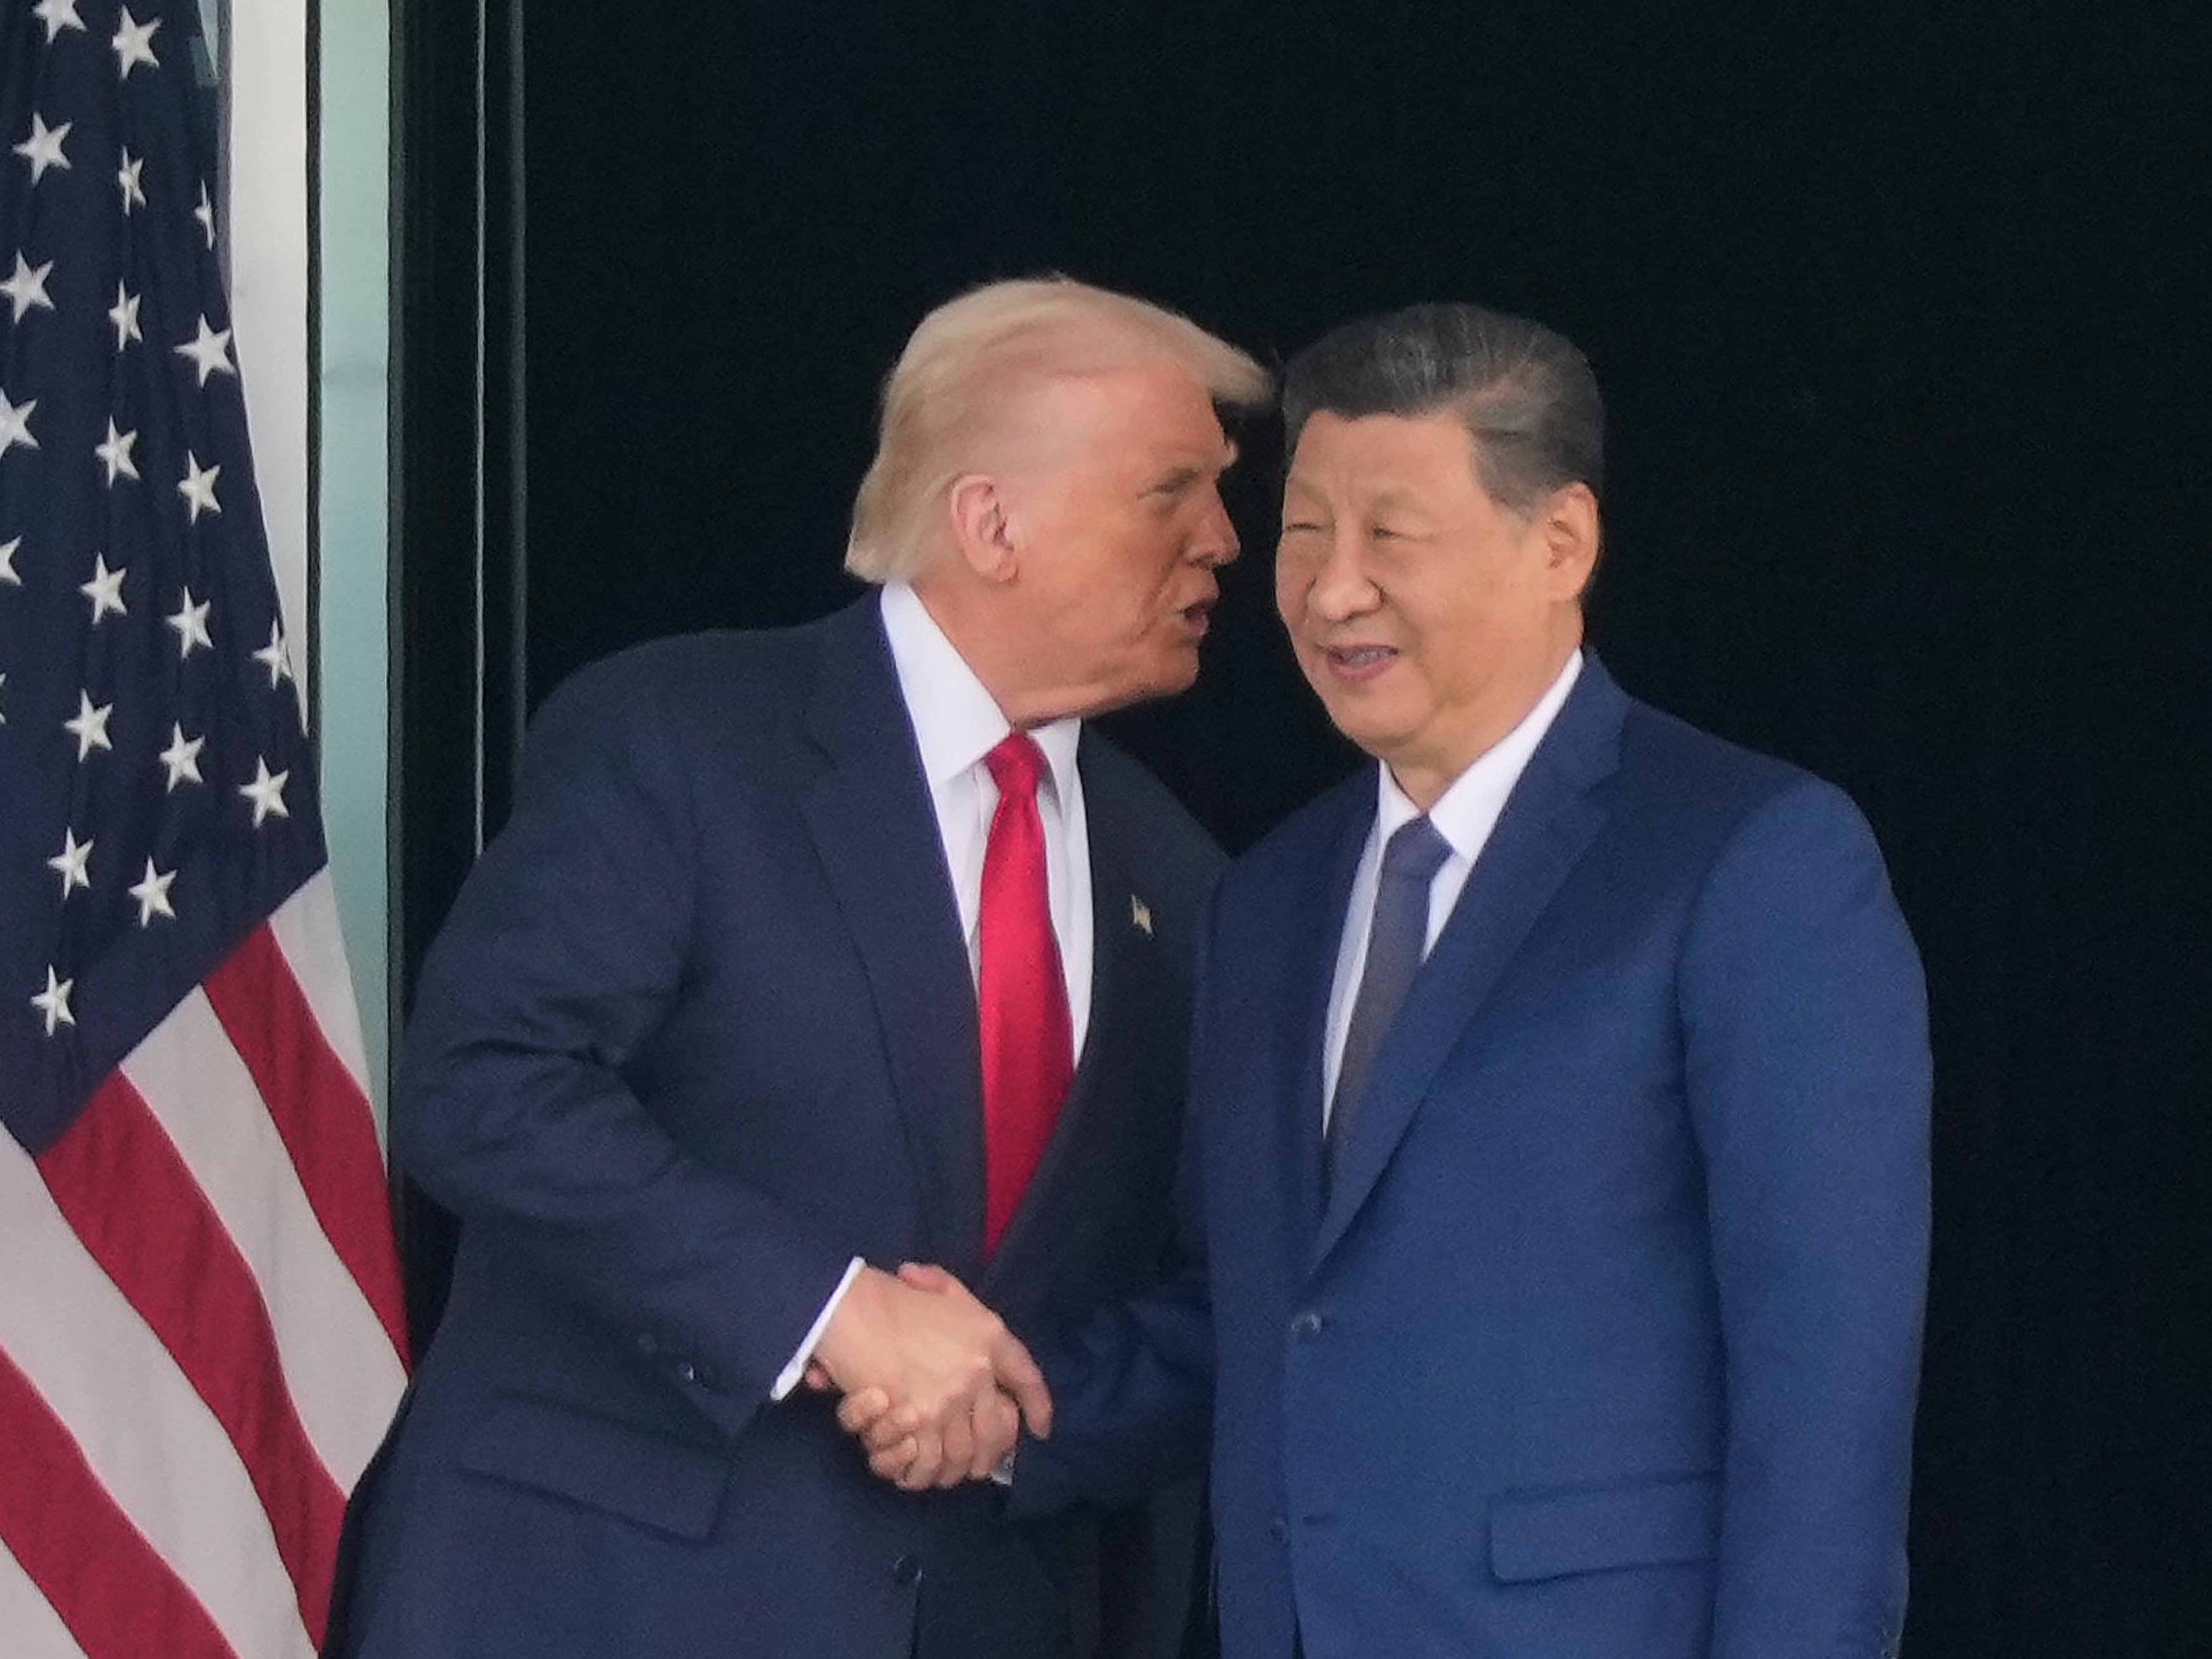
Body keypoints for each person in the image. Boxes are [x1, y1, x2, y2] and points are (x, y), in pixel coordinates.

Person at [863, 301, 1931, 1659]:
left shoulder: (1749, 858)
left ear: (1562, 543)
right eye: (1305, 530)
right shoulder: (1261, 900)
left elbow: (1824, 1397)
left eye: (1391, 534)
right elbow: (1257, 1313)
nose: (1328, 588)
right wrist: (1002, 1411)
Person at [330, 277, 1269, 1659]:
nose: (1226, 542)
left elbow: (1219, 1286)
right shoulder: (684, 737)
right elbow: (480, 1085)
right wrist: (833, 1312)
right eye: (1172, 490)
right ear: (990, 521)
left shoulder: (1184, 875)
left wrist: (1008, 1419)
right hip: (594, 1597)